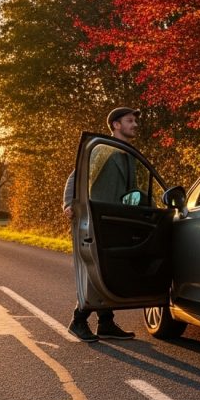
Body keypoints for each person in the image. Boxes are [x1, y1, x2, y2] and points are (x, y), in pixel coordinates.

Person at [62, 107, 141, 342]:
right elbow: (75, 177)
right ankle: (78, 320)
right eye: (130, 120)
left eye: (135, 120)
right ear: (116, 125)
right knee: (96, 270)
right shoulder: (102, 150)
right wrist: (69, 203)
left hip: (115, 220)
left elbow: (133, 190)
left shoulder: (128, 153)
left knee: (108, 270)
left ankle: (105, 323)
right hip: (95, 218)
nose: (135, 124)